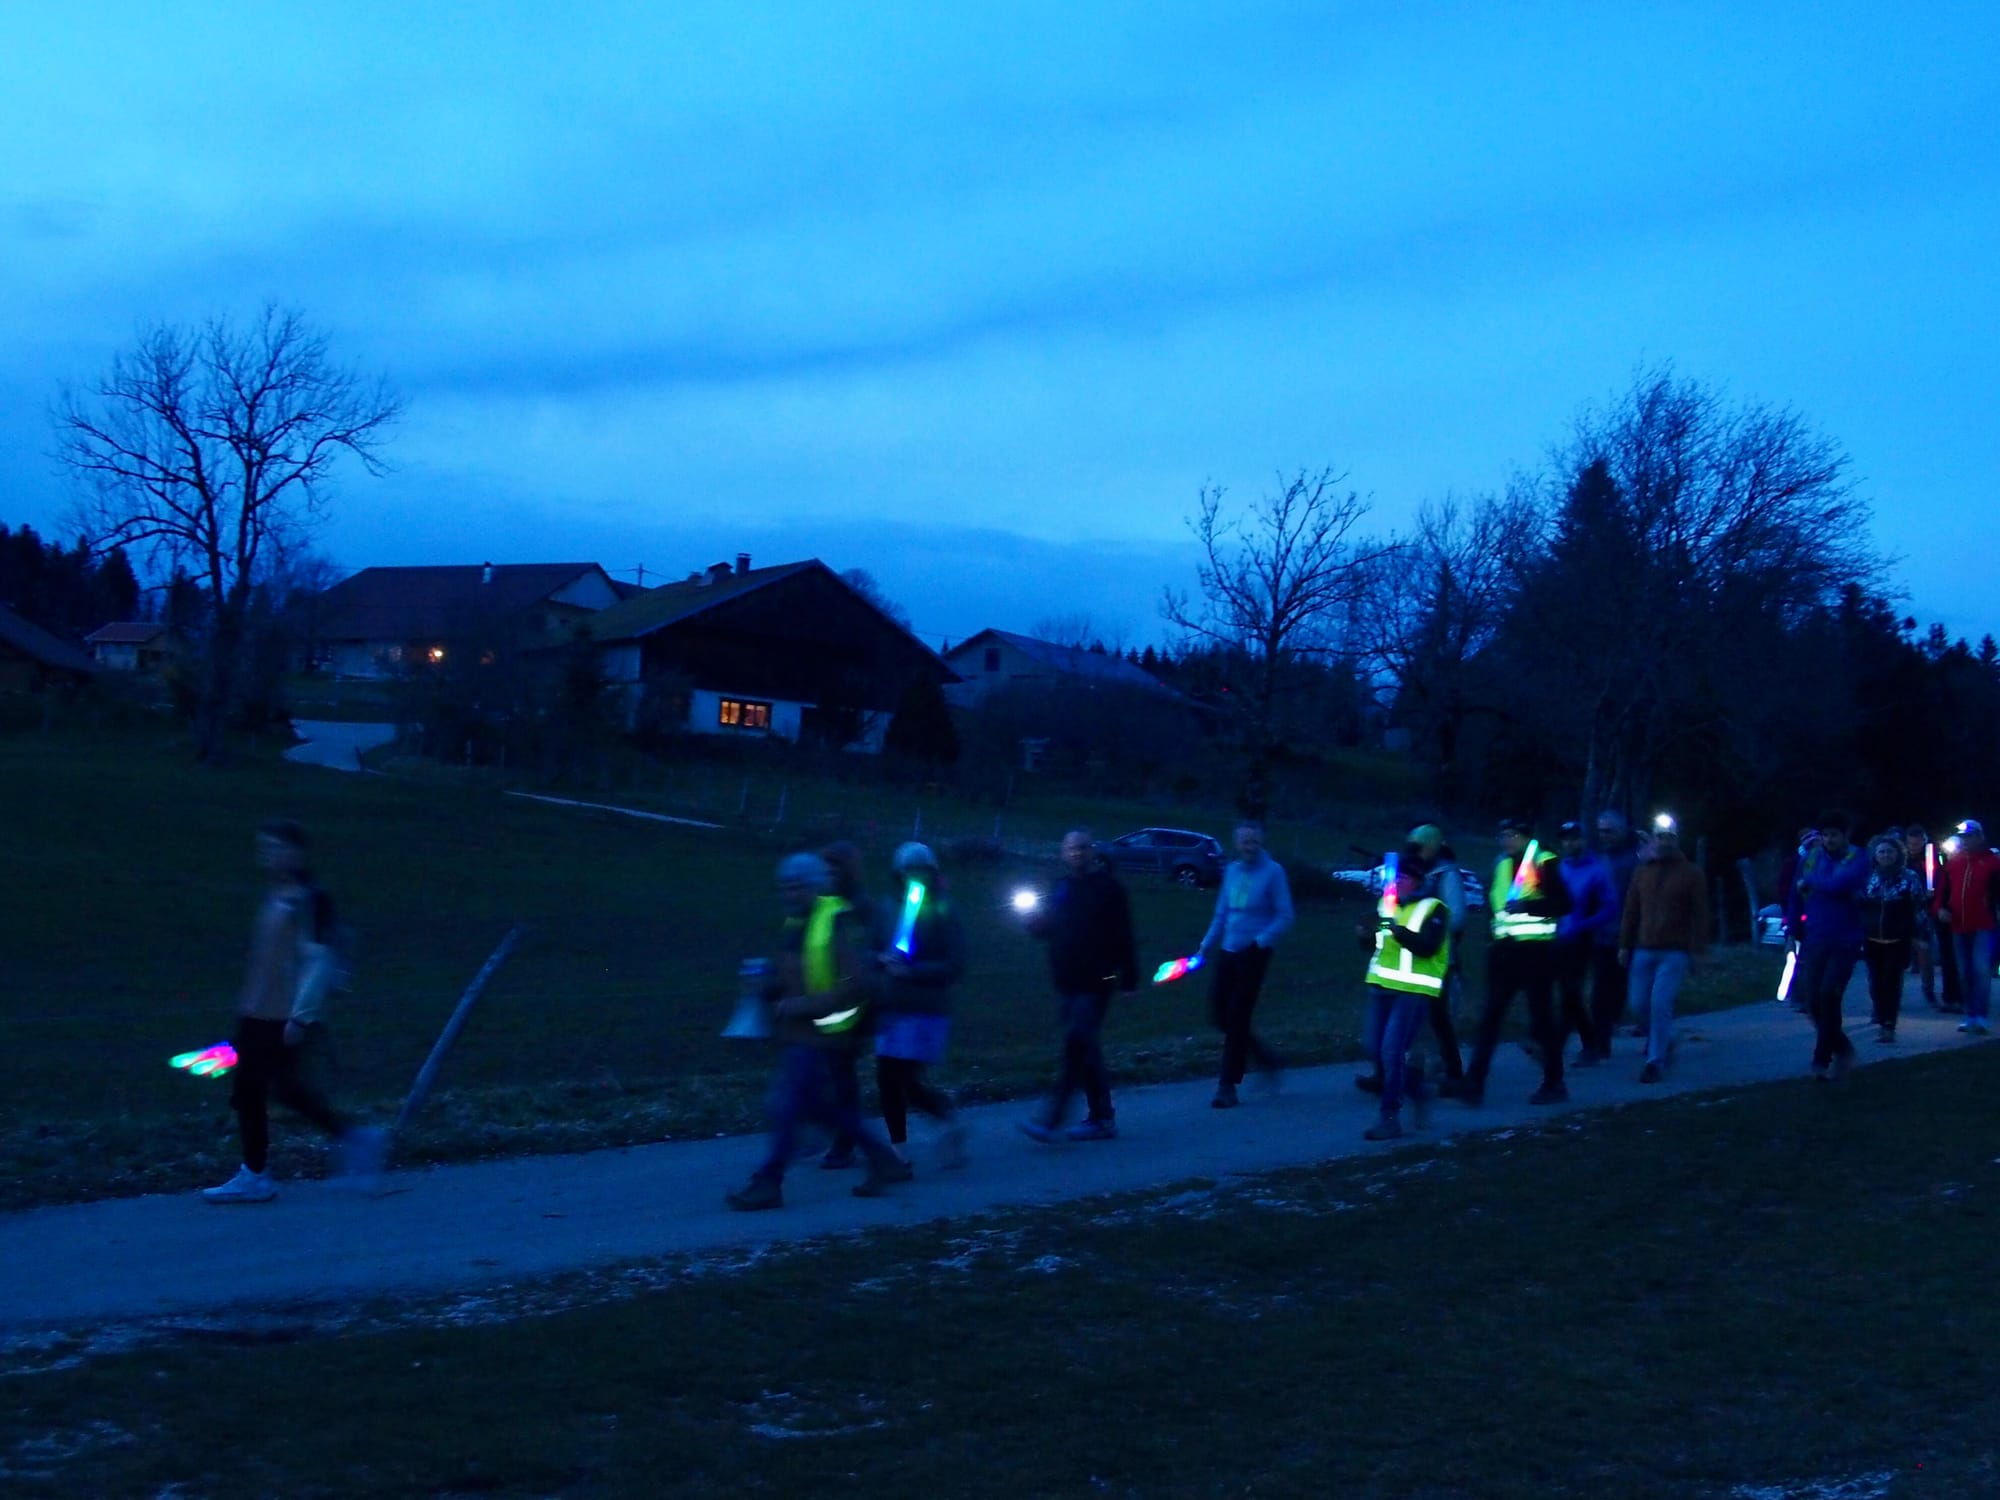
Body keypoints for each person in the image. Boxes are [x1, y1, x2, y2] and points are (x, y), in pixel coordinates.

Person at [203, 820, 386, 1203]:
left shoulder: (309, 899)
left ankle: (258, 1174)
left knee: (258, 1090)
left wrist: (301, 1017)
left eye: (276, 847)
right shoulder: (276, 893)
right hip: (256, 1012)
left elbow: (319, 961)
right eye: (265, 847)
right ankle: (350, 1139)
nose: (268, 854)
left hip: (283, 1016)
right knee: (273, 1089)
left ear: (296, 852)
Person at [726, 854, 911, 1210]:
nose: (789, 892)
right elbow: (796, 973)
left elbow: (854, 984)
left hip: (827, 1028)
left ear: (814, 885)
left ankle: (770, 1182)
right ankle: (883, 1160)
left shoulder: (837, 920)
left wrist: (800, 1006)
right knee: (817, 1108)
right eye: (784, 886)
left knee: (787, 1104)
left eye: (796, 885)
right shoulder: (796, 922)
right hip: (801, 1031)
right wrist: (766, 985)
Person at [1443, 818, 1572, 1107]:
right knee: (1491, 1017)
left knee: (1542, 1019)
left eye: (1513, 834)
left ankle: (1554, 1082)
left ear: (1527, 836)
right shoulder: (1502, 864)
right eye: (1502, 835)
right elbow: (1494, 905)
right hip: (1504, 952)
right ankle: (1474, 1082)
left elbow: (1564, 904)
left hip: (1537, 953)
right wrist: (1491, 936)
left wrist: (1530, 906)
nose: (1506, 840)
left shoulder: (1545, 861)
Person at [1020, 829, 1139, 1142]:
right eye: (1072, 848)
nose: (1077, 853)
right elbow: (1052, 928)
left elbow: (1124, 934)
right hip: (1067, 982)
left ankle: (1051, 1119)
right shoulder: (1062, 888)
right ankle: (1102, 1119)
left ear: (1092, 852)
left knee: (1077, 1045)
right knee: (1086, 1049)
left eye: (1083, 848)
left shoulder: (1109, 888)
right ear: (1063, 852)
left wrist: (1129, 980)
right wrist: (1033, 922)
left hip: (1097, 981)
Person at [869, 843, 970, 1167]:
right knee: (887, 1074)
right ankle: (898, 1149)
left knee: (906, 1080)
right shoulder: (887, 907)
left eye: (921, 870)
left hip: (925, 1008)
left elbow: (955, 963)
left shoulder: (944, 908)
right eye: (908, 870)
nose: (915, 876)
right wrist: (879, 959)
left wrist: (913, 971)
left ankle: (944, 1113)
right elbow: (869, 948)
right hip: (892, 1004)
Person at [1357, 826, 1466, 1094]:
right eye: (1413, 846)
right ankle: (1386, 1074)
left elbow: (1456, 917)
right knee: (1395, 1029)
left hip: (1434, 957)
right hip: (1398, 960)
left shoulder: (1445, 875)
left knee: (1439, 1018)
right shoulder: (1407, 871)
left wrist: (1430, 930)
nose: (1416, 851)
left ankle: (1453, 1073)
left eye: (1421, 846)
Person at [1198, 822, 1296, 1108]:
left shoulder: (1273, 872)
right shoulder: (1232, 871)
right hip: (1228, 950)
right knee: (1219, 1014)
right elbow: (1221, 913)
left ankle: (1227, 1085)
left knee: (1238, 1016)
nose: (1249, 847)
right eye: (1244, 842)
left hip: (1254, 954)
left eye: (1254, 842)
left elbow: (1285, 915)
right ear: (1236, 844)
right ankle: (1267, 1058)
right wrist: (1205, 946)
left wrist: (1261, 940)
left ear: (1261, 843)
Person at [1357, 863, 1449, 1140]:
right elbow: (1375, 946)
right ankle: (1419, 1093)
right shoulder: (1387, 906)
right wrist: (1364, 935)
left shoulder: (1435, 908)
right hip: (1381, 986)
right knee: (1374, 1048)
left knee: (1391, 1051)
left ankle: (1390, 1118)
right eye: (1394, 877)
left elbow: (1428, 947)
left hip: (1413, 990)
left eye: (1403, 877)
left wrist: (1397, 930)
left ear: (1418, 881)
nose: (1396, 881)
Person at [1617, 821, 1709, 1084]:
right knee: (1638, 1003)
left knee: (1660, 1003)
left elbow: (1700, 915)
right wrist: (1624, 944)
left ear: (1676, 839)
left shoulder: (1691, 873)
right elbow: (1631, 910)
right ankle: (1663, 1039)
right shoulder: (1642, 872)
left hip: (1674, 950)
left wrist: (1697, 950)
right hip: (1644, 948)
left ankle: (1655, 1061)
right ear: (1654, 839)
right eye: (1661, 837)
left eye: (1670, 837)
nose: (1665, 841)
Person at [814, 841, 875, 1170]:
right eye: (825, 867)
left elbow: (859, 956)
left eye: (834, 866)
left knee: (840, 1073)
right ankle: (839, 1134)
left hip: (849, 1004)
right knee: (827, 1071)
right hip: (824, 999)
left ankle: (848, 1141)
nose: (828, 873)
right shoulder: (824, 904)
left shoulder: (857, 907)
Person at [1794, 812, 1868, 1080]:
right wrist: (1793, 928)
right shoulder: (1812, 857)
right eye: (1825, 835)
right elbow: (1797, 892)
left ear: (1844, 834)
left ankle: (1821, 1059)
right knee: (1811, 999)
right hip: (1816, 937)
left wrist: (1812, 882)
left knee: (1829, 995)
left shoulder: (1857, 857)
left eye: (1834, 835)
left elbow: (1840, 883)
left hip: (1845, 940)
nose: (1828, 840)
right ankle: (1843, 1049)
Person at [1555, 820, 1618, 1066]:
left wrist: (1582, 925)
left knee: (1570, 991)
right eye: (1566, 839)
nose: (1570, 843)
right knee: (1568, 993)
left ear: (1583, 840)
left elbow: (1610, 909)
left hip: (1582, 940)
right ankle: (1589, 1043)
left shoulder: (1597, 871)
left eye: (1574, 838)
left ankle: (1557, 1047)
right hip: (1558, 938)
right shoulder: (1561, 868)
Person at [1936, 820, 2000, 1036]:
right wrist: (1941, 908)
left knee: (1981, 969)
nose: (1965, 841)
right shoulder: (1954, 863)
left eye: (1969, 836)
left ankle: (1980, 1015)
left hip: (1984, 924)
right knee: (1965, 971)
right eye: (1963, 837)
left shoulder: (1993, 862)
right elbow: (1943, 889)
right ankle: (1970, 1014)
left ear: (1980, 837)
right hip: (1959, 924)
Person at [1861, 833, 1925, 1044]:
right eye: (1882, 851)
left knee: (1892, 981)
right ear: (1875, 855)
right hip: (1872, 939)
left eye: (1890, 851)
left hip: (1898, 940)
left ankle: (1889, 1024)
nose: (1886, 855)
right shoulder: (1869, 878)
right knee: (1876, 982)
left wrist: (1919, 935)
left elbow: (1918, 908)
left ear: (1898, 854)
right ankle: (1880, 1012)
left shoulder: (1909, 878)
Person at [1901, 825, 1944, 1010]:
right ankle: (1893, 995)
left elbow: (1941, 879)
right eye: (1911, 843)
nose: (1914, 846)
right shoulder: (1902, 859)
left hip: (1923, 912)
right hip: (1902, 911)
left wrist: (1932, 894)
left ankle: (1928, 990)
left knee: (1924, 951)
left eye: (1917, 842)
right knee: (1898, 956)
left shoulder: (1933, 858)